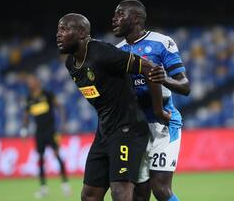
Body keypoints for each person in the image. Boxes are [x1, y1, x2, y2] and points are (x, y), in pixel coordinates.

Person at [56, 13, 171, 201]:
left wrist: (158, 110)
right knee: (89, 195)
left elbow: (150, 68)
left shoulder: (102, 52)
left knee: (120, 192)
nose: (58, 34)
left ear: (82, 33)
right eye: (58, 29)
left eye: (65, 29)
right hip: (104, 132)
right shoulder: (71, 63)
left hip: (128, 128)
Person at [112, 0, 190, 201]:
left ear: (136, 18)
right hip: (137, 129)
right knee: (140, 193)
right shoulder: (117, 52)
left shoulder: (161, 43)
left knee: (161, 189)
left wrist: (164, 78)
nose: (114, 19)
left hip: (164, 124)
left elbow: (185, 86)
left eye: (120, 14)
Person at [21, 75, 70, 199]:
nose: (29, 84)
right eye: (28, 82)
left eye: (31, 81)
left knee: (57, 155)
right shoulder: (29, 98)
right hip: (39, 133)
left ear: (37, 82)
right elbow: (26, 115)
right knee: (41, 159)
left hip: (51, 131)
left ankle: (65, 184)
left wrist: (63, 123)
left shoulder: (47, 94)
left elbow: (60, 107)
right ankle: (43, 188)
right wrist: (24, 129)